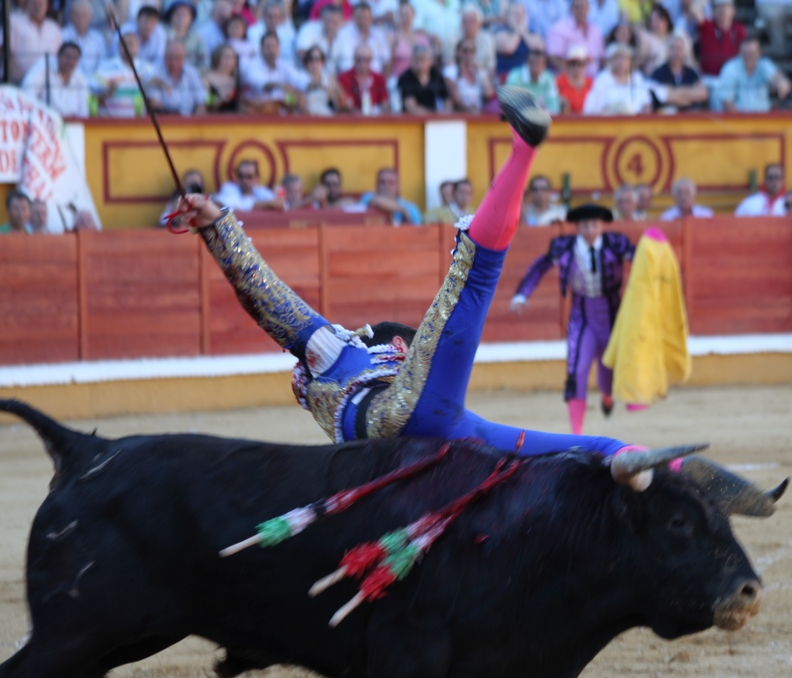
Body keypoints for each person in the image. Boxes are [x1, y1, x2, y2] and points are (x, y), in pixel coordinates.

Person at [178, 88, 629, 461]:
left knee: (542, 445)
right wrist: (217, 224)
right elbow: (265, 295)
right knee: (475, 279)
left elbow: (264, 296)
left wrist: (217, 226)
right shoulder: (338, 352)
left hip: (407, 434)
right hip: (415, 418)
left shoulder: (331, 360)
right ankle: (524, 149)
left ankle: (625, 453)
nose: (401, 345)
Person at [510, 202, 635, 435]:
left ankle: (607, 395)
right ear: (577, 227)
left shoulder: (615, 243)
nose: (590, 231)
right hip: (581, 313)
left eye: (595, 226)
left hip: (612, 313)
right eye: (585, 226)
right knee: (577, 368)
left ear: (601, 226)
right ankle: (576, 432)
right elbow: (539, 267)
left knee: (609, 367)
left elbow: (640, 259)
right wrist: (521, 294)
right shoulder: (564, 246)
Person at [584, 42, 665, 113]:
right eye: (618, 58)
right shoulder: (603, 78)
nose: (621, 62)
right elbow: (593, 107)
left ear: (630, 62)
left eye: (625, 58)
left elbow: (646, 104)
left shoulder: (637, 78)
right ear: (611, 61)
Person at [717, 34, 791, 111]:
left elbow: (775, 77)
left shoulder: (764, 64)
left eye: (752, 53)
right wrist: (745, 121)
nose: (748, 56)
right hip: (737, 120)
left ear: (759, 53)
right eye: (745, 53)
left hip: (763, 119)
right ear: (738, 53)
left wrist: (782, 83)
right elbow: (726, 103)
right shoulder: (730, 68)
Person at [242, 31, 307, 113]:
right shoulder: (252, 65)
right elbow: (262, 84)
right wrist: (281, 86)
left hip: (280, 104)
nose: (271, 50)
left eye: (274, 46)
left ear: (279, 49)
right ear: (261, 49)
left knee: (300, 96)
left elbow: (299, 80)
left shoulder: (284, 65)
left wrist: (313, 85)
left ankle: (302, 122)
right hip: (258, 106)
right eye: (268, 47)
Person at [22, 41, 92, 118]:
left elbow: (83, 110)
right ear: (58, 55)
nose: (70, 61)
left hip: (72, 124)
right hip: (45, 121)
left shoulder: (80, 77)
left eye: (74, 58)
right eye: (67, 56)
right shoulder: (43, 67)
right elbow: (27, 95)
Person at [92, 30, 148, 117]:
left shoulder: (146, 68)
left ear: (138, 47)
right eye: (124, 44)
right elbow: (92, 95)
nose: (127, 48)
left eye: (131, 44)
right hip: (108, 120)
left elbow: (152, 93)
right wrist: (107, 92)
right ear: (118, 47)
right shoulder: (105, 67)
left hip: (136, 122)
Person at [4, 0, 62, 82]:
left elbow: (61, 55)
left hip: (48, 82)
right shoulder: (13, 21)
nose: (38, 7)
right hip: (19, 81)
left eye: (41, 4)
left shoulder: (54, 27)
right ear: (27, 5)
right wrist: (15, 76)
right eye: (34, 3)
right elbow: (4, 50)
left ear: (47, 6)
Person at [651, 32, 711, 110]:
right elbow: (665, 97)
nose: (676, 53)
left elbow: (703, 94)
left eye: (679, 49)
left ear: (685, 52)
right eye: (673, 48)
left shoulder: (691, 73)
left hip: (689, 118)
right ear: (667, 51)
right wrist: (690, 96)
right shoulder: (658, 72)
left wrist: (675, 91)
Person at [146, 40, 207, 114]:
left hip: (190, 121)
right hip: (165, 120)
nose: (173, 63)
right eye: (170, 58)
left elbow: (201, 101)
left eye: (178, 58)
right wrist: (174, 117)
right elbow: (153, 103)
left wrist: (197, 120)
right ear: (164, 56)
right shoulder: (156, 72)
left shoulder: (192, 73)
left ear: (184, 58)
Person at [331, 1, 391, 73]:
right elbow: (333, 61)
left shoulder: (379, 35)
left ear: (371, 18)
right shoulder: (342, 34)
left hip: (374, 80)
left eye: (366, 18)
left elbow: (387, 61)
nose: (362, 21)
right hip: (347, 80)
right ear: (353, 17)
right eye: (359, 17)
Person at [546, 0, 606, 72]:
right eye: (577, 7)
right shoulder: (559, 29)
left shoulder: (595, 31)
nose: (581, 10)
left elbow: (602, 58)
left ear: (588, 9)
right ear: (571, 9)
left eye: (583, 7)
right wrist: (573, 73)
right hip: (567, 78)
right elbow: (552, 57)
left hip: (594, 79)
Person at [696, 0, 748, 81]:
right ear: (713, 11)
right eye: (719, 7)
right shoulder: (707, 26)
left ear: (733, 10)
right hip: (707, 78)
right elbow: (694, 11)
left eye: (727, 6)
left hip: (731, 79)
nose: (723, 10)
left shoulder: (738, 29)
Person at [445, 38, 496, 112]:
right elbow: (456, 99)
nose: (468, 54)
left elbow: (489, 93)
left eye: (471, 51)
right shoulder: (451, 71)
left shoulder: (479, 71)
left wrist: (480, 70)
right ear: (458, 52)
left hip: (479, 114)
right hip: (461, 114)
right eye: (465, 51)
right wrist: (471, 111)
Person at [494, 2, 544, 78]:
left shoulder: (532, 33)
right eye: (516, 15)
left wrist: (523, 33)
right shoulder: (501, 32)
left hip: (530, 77)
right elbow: (507, 48)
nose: (519, 18)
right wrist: (517, 33)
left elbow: (539, 50)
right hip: (507, 76)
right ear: (508, 17)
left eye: (522, 15)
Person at [504, 45, 561, 111]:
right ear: (526, 62)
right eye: (532, 63)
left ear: (544, 65)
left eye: (539, 63)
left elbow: (554, 106)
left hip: (542, 118)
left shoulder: (549, 78)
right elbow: (511, 105)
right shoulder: (514, 77)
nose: (536, 67)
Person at [339, 43, 392, 112]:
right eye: (359, 60)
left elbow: (385, 102)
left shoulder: (379, 79)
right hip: (352, 120)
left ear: (371, 60)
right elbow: (344, 105)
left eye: (366, 60)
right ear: (354, 59)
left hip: (375, 120)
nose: (362, 64)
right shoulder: (344, 78)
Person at [398, 43, 451, 112]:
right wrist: (433, 117)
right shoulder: (405, 78)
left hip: (434, 118)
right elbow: (410, 106)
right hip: (411, 120)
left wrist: (445, 114)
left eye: (422, 60)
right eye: (416, 60)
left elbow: (447, 99)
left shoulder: (436, 75)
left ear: (430, 61)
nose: (419, 64)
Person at [62, 0, 109, 74]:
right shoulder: (62, 36)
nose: (80, 19)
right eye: (77, 15)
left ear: (90, 18)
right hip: (70, 80)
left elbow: (103, 63)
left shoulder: (98, 38)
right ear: (70, 17)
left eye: (84, 15)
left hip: (94, 81)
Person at [165, 0, 209, 71]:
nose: (181, 18)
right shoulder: (162, 35)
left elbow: (204, 61)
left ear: (191, 19)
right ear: (171, 16)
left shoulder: (197, 38)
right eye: (177, 14)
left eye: (185, 15)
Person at [556, 44, 594, 112]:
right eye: (573, 64)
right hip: (566, 121)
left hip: (588, 121)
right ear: (567, 65)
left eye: (581, 64)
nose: (577, 68)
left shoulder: (591, 83)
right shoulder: (559, 82)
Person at [205, 44, 241, 111]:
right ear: (217, 58)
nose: (228, 61)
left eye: (232, 58)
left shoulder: (238, 80)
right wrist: (222, 98)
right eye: (225, 57)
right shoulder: (207, 80)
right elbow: (208, 105)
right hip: (215, 119)